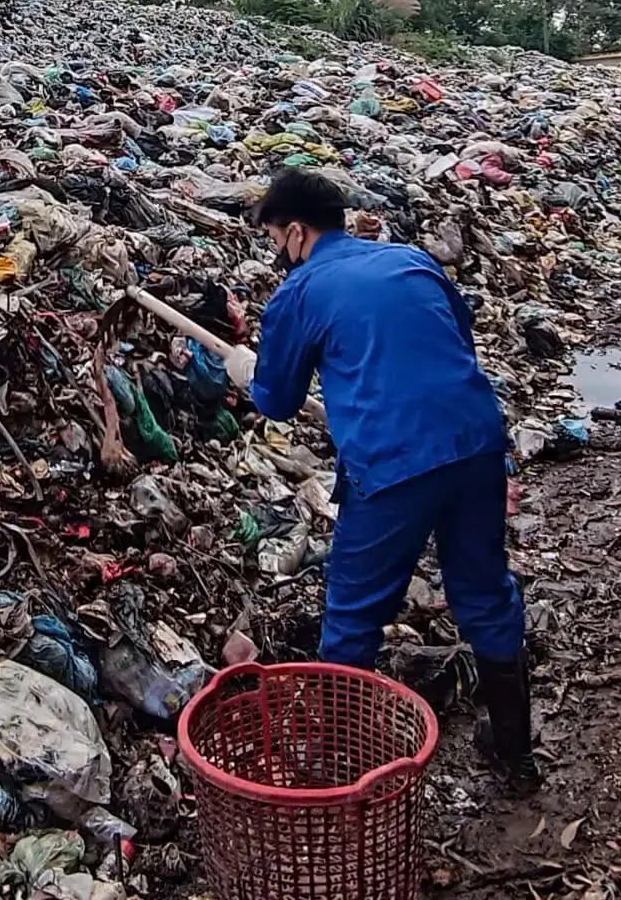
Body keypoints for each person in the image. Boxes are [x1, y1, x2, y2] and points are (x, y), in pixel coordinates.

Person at [243, 166, 539, 790]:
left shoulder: (299, 294)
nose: (276, 254)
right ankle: (514, 750)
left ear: (296, 232)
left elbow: (276, 403)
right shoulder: (409, 260)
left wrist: (247, 368)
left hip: (392, 465)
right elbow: (458, 337)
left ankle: (337, 775)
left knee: (354, 615)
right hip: (477, 443)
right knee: (484, 589)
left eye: (275, 240)